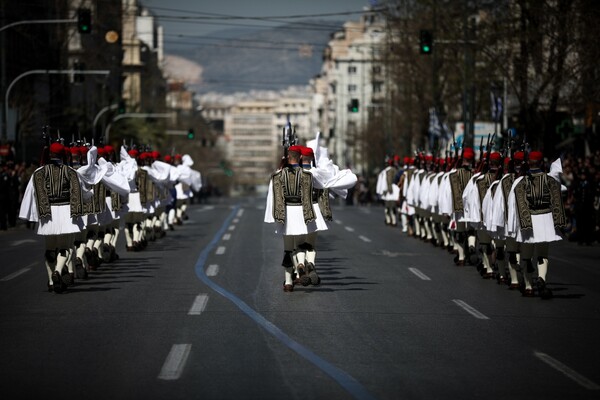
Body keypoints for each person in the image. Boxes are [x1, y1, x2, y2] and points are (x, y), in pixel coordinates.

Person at [19, 141, 87, 293]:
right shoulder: (70, 172)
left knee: (50, 250)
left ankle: (51, 280)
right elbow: (78, 192)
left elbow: (32, 194)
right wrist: (78, 212)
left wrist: (34, 213)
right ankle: (58, 271)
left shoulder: (39, 172)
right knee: (64, 248)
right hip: (65, 212)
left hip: (47, 213)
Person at [507, 151, 567, 298]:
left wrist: (518, 225)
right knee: (542, 254)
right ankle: (541, 278)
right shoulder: (550, 180)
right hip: (545, 219)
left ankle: (528, 286)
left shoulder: (521, 182)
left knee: (526, 257)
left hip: (528, 220)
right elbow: (557, 200)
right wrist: (559, 223)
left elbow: (518, 206)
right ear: (541, 163)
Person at [264, 145, 317, 292]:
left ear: (288, 157)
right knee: (300, 244)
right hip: (301, 212)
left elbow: (275, 197)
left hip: (286, 213)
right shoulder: (307, 175)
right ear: (300, 157)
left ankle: (288, 283)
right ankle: (300, 264)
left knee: (288, 249)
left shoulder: (278, 175)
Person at [376, 156, 401, 226]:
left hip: (388, 192)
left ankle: (389, 220)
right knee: (391, 207)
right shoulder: (392, 170)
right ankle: (392, 220)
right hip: (391, 192)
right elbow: (389, 181)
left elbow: (386, 181)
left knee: (389, 207)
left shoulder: (386, 171)